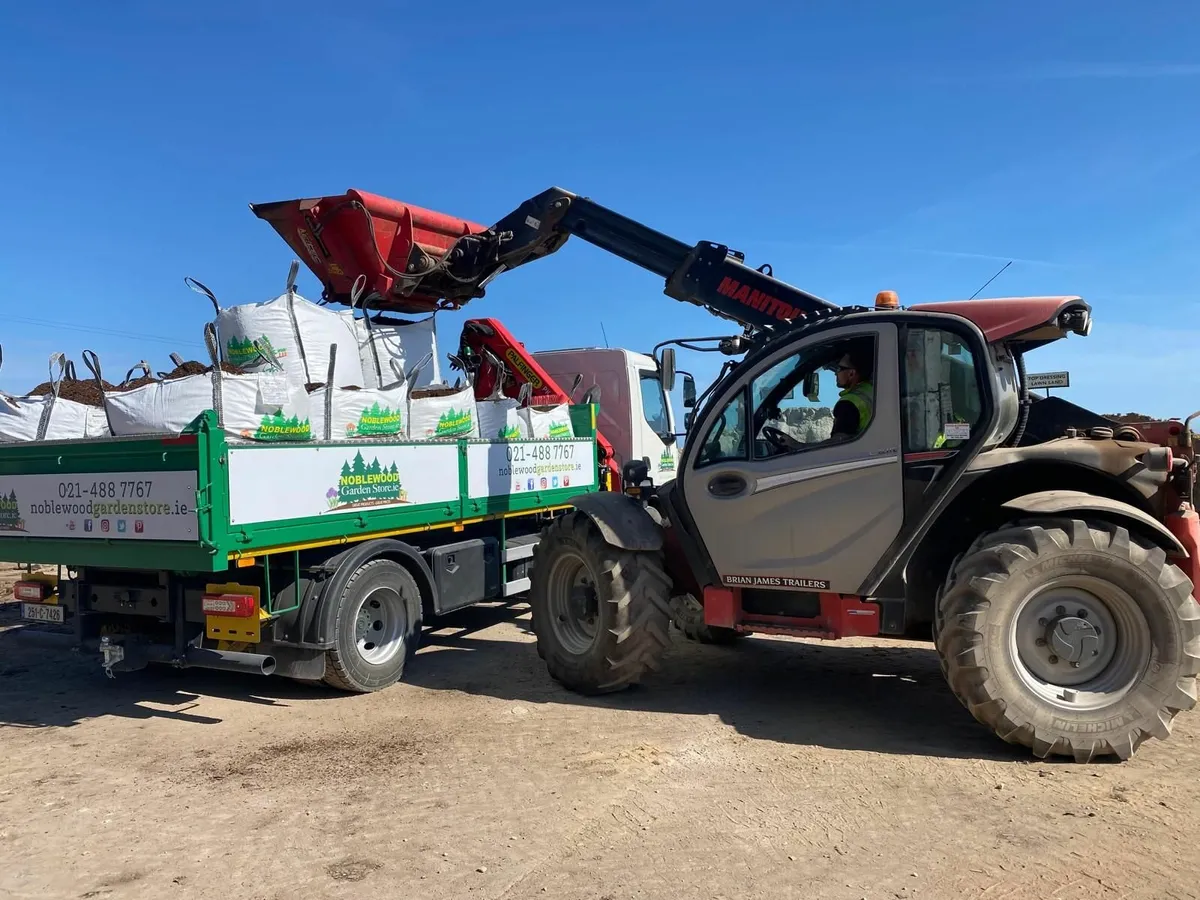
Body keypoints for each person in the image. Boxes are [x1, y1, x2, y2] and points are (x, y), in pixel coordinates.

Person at [830, 347, 873, 439]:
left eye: (839, 369)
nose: (836, 373)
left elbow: (838, 444)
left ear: (851, 373)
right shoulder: (871, 390)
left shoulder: (848, 403)